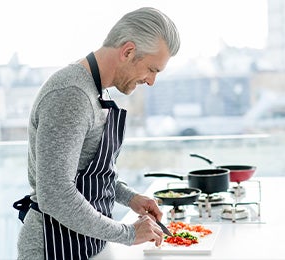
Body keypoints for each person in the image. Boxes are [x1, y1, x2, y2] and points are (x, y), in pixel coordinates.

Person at [13, 7, 180, 259]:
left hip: (88, 244)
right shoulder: (71, 95)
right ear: (128, 51)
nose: (151, 81)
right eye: (152, 69)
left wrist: (130, 198)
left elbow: (88, 174)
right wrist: (129, 233)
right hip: (54, 246)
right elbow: (55, 194)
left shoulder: (95, 90)